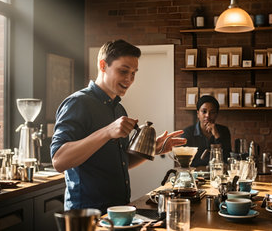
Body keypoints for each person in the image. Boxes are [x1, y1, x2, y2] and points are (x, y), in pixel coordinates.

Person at [50, 40, 187, 213]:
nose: (129, 79)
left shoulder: (119, 108)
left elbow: (121, 163)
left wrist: (152, 150)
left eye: (133, 73)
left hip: (119, 210)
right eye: (123, 71)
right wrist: (107, 132)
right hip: (87, 214)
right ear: (103, 65)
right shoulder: (77, 103)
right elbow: (59, 160)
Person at [181, 95, 231, 167]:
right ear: (198, 114)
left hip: (218, 174)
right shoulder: (188, 133)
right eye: (204, 111)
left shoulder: (224, 131)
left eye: (212, 112)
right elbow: (184, 162)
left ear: (216, 114)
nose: (207, 115)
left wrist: (217, 136)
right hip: (195, 175)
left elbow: (227, 158)